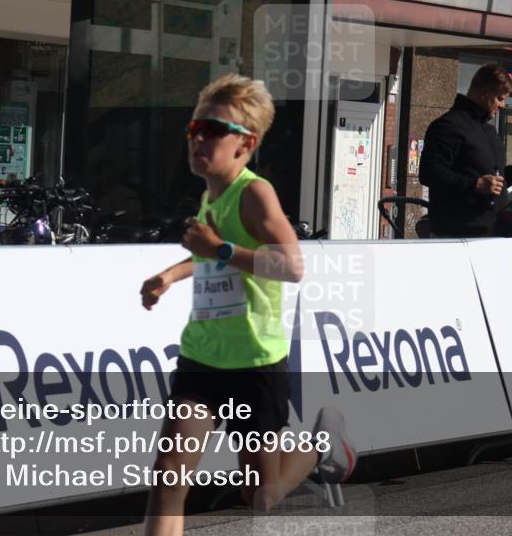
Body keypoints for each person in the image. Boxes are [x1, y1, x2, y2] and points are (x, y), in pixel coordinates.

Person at [138, 74, 354, 534]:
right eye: (194, 128)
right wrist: (169, 277)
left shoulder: (255, 193)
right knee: (169, 475)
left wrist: (218, 248)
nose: (199, 138)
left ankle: (321, 444)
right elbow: (211, 258)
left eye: (214, 130)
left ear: (246, 143)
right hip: (203, 356)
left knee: (260, 494)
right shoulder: (209, 195)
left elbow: (291, 265)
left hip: (255, 363)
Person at [419, 63, 512, 237]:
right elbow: (429, 173)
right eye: (500, 98)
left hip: (492, 231)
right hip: (457, 234)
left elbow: (490, 181)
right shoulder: (449, 125)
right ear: (483, 94)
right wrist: (475, 184)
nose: (503, 105)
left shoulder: (488, 130)